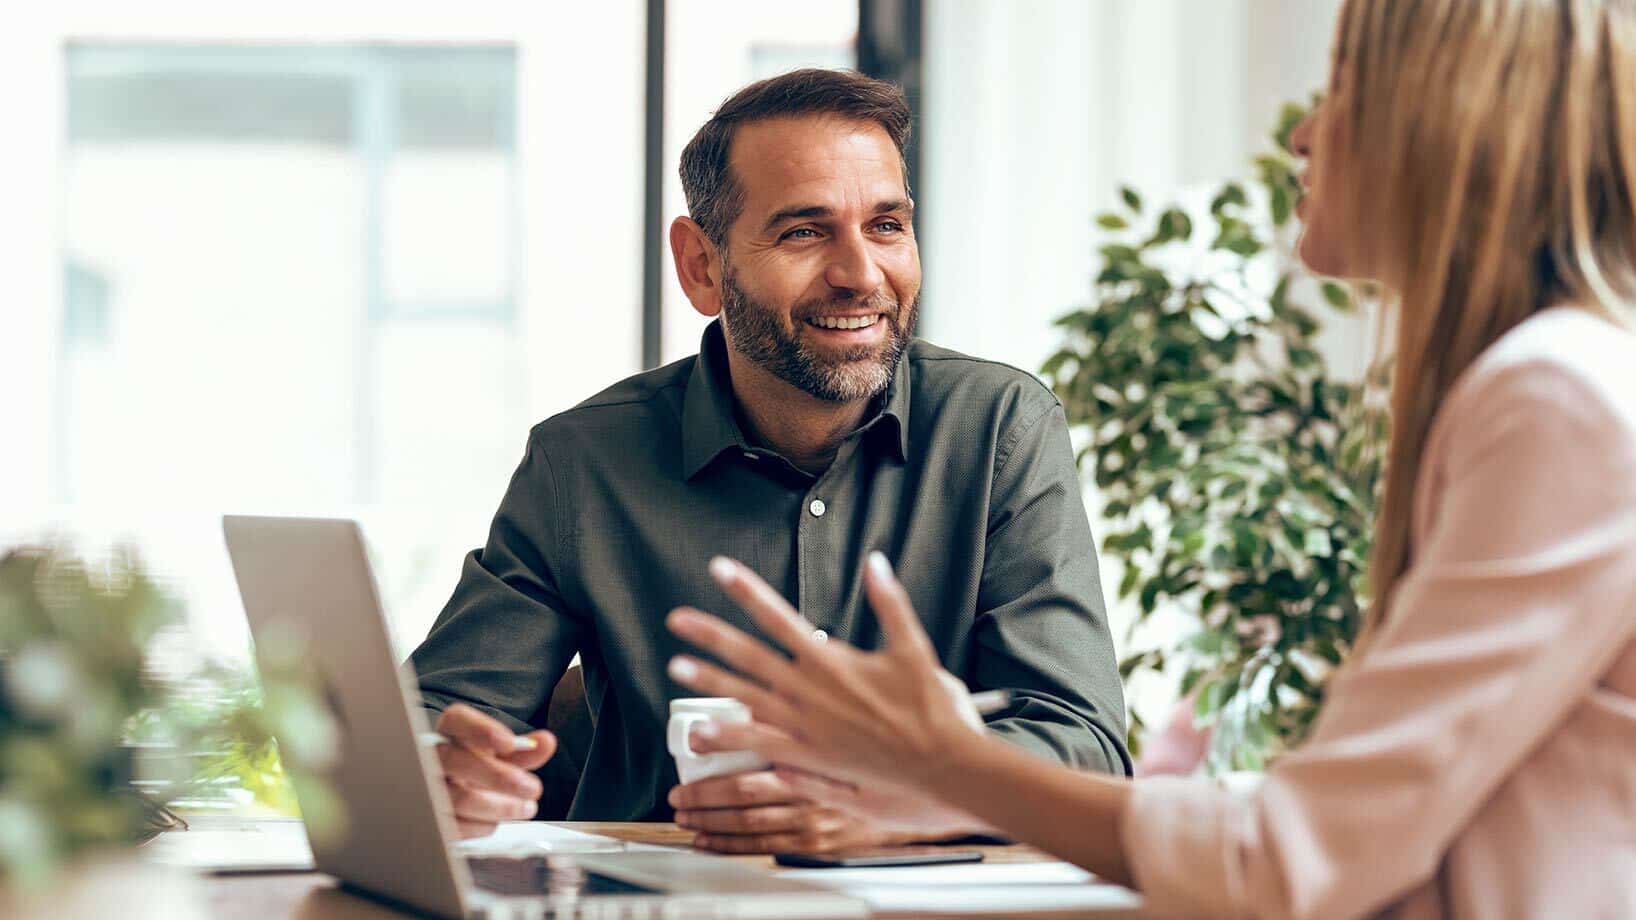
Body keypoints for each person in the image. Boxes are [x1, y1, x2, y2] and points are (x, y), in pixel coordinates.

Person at [662, 0, 1636, 915]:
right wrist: (950, 791)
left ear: (1443, 124)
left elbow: (1293, 856)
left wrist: (944, 766)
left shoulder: (1555, 399)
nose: (1301, 135)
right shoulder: (1549, 384)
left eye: (1340, 89)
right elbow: (1383, 805)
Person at [409, 68, 1131, 852]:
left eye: (886, 226)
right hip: (659, 897)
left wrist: (905, 796)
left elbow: (1085, 747)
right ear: (702, 266)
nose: (861, 274)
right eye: (804, 232)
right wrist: (446, 771)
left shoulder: (1000, 430)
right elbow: (434, 715)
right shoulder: (582, 461)